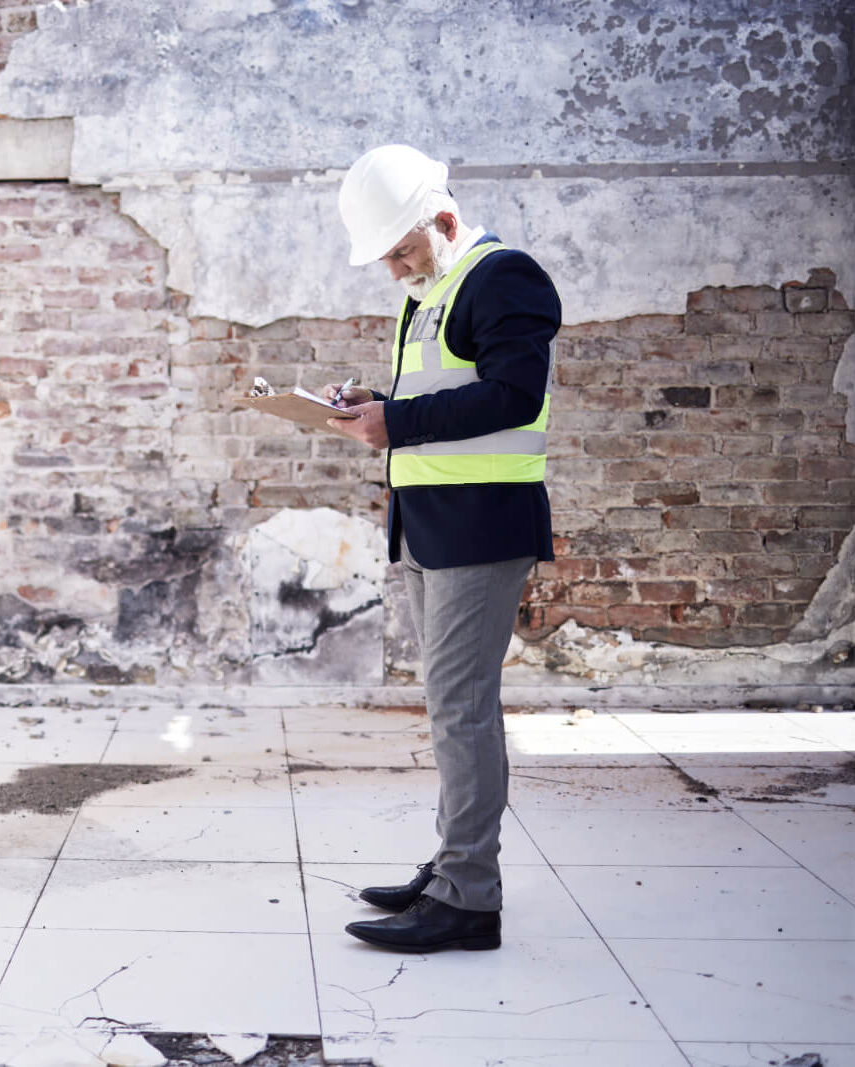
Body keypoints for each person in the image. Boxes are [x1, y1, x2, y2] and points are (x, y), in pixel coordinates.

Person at [323, 144, 560, 953]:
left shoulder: (505, 277)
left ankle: (469, 898)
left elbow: (513, 395)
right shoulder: (433, 290)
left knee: (461, 711)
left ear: (445, 221)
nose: (393, 270)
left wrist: (401, 422)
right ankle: (455, 867)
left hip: (482, 528)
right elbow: (443, 396)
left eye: (400, 250)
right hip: (432, 525)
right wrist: (377, 406)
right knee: (451, 709)